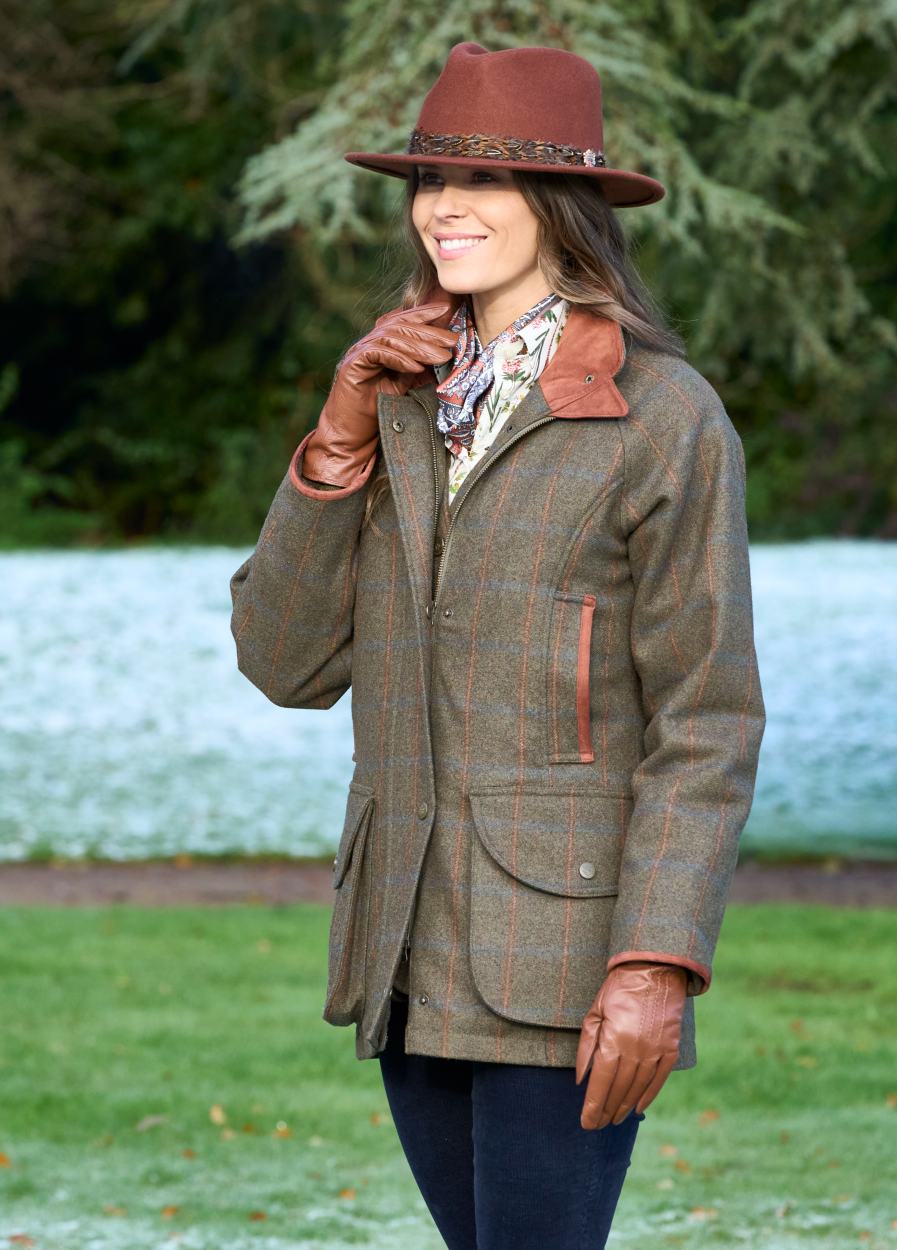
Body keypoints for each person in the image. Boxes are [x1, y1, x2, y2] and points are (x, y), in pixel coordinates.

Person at [230, 40, 765, 1250]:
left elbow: (708, 717)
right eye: (427, 181)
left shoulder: (662, 416)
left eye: (486, 181)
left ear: (560, 204)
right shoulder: (399, 393)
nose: (443, 208)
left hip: (567, 960)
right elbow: (284, 662)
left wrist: (656, 962)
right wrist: (339, 424)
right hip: (406, 949)